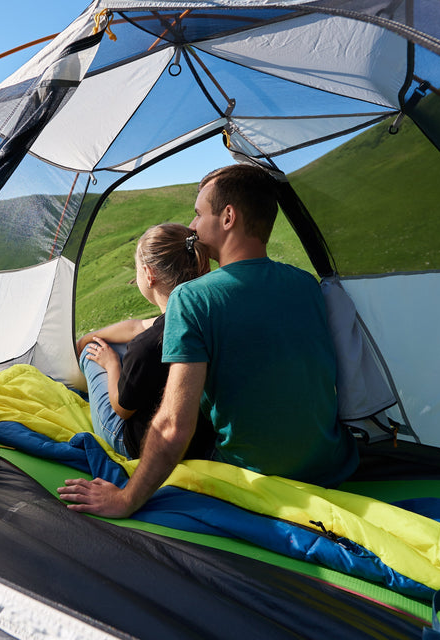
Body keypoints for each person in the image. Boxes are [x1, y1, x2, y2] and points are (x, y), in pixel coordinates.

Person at [59, 163, 358, 518]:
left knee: (106, 363)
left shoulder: (191, 298)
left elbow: (173, 427)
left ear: (228, 216)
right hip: (332, 465)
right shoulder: (305, 284)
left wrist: (125, 499)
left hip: (254, 479)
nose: (192, 226)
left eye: (199, 214)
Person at [75, 223, 215, 460]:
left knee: (93, 350)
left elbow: (122, 409)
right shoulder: (204, 314)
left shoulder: (146, 346)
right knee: (115, 344)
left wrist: (111, 365)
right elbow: (138, 326)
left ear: (149, 275)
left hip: (137, 444)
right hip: (201, 439)